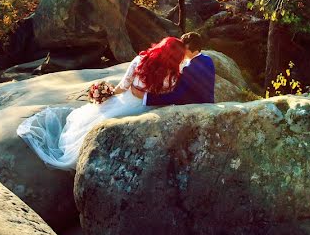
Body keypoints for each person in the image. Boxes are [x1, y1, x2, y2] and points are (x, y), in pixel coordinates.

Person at [17, 37, 186, 170]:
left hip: (129, 102)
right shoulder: (174, 74)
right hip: (152, 109)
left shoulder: (141, 61)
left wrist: (109, 92)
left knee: (90, 122)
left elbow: (123, 86)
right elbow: (167, 95)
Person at [143, 32, 215, 106]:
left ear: (187, 48)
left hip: (193, 108)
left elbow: (177, 96)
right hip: (208, 103)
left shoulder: (189, 69)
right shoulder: (208, 60)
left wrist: (147, 98)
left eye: (182, 48)